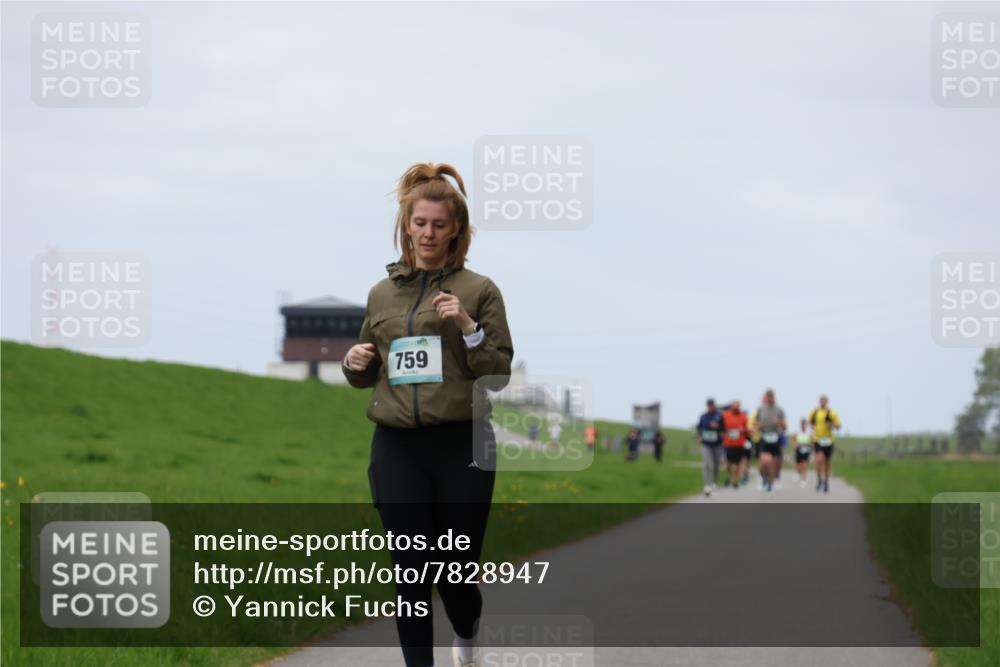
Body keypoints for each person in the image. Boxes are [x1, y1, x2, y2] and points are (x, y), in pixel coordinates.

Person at [343, 162, 514, 667]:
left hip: (462, 445)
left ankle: (467, 632)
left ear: (456, 229)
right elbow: (370, 367)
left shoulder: (480, 290)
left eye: (439, 225)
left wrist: (467, 327)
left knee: (455, 571)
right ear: (406, 225)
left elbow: (499, 373)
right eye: (420, 223)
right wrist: (354, 363)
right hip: (397, 447)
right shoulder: (381, 293)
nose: (428, 234)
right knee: (411, 571)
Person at [753, 388, 787, 493]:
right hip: (764, 437)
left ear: (774, 397)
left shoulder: (779, 410)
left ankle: (770, 483)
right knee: (764, 461)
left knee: (774, 463)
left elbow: (785, 426)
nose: (770, 398)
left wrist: (779, 423)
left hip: (775, 438)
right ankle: (764, 477)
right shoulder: (760, 409)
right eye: (768, 396)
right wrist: (759, 426)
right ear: (766, 397)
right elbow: (755, 424)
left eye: (771, 396)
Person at [809, 395, 842, 494]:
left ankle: (826, 482)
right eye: (821, 401)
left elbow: (839, 425)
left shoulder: (832, 413)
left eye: (824, 401)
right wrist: (812, 426)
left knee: (827, 462)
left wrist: (831, 425)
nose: (822, 403)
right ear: (819, 402)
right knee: (819, 459)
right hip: (818, 439)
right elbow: (810, 422)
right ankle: (819, 479)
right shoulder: (815, 412)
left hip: (829, 440)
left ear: (827, 402)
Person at [696, 398, 725, 496]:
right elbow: (699, 428)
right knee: (707, 464)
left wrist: (717, 427)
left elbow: (724, 429)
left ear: (714, 405)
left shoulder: (719, 416)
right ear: (707, 406)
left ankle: (714, 482)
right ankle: (707, 485)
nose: (710, 407)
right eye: (708, 405)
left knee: (716, 464)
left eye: (712, 405)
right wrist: (699, 437)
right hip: (706, 443)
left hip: (717, 444)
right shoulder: (703, 416)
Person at [721, 400, 749, 488]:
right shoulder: (726, 415)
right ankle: (728, 476)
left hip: (739, 443)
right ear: (732, 406)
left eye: (738, 406)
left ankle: (735, 480)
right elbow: (722, 427)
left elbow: (746, 429)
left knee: (737, 463)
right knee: (728, 462)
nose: (736, 407)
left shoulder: (743, 416)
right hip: (728, 443)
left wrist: (743, 430)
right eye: (734, 405)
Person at [793, 418, 812, 487]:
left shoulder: (809, 432)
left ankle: (804, 480)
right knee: (799, 465)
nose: (803, 426)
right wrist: (795, 445)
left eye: (805, 424)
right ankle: (798, 472)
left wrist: (807, 444)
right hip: (799, 450)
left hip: (806, 450)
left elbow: (811, 442)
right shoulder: (797, 432)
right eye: (802, 424)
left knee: (805, 464)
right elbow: (794, 441)